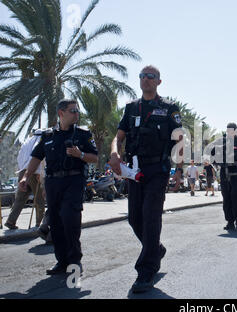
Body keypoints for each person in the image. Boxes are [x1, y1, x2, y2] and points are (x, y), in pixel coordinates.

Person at [110, 65, 183, 294]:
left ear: (159, 81)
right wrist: (114, 153)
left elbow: (179, 141)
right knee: (134, 219)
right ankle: (156, 249)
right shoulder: (131, 108)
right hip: (135, 170)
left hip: (158, 169)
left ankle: (146, 271)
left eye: (151, 76)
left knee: (151, 216)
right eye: (142, 76)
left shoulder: (169, 108)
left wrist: (179, 170)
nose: (146, 79)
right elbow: (118, 136)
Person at [19, 99, 98, 275]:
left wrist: (80, 154)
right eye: (73, 111)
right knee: (55, 223)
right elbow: (36, 159)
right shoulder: (48, 136)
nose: (77, 114)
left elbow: (95, 158)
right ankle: (61, 262)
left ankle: (74, 262)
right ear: (61, 113)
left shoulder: (83, 134)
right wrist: (25, 176)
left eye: (77, 110)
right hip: (53, 183)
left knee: (70, 220)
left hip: (74, 181)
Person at [4, 131, 45, 230]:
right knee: (39, 199)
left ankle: (10, 220)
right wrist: (40, 172)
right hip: (34, 172)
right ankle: (39, 223)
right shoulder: (39, 141)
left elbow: (19, 157)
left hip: (23, 171)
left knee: (20, 198)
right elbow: (37, 157)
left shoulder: (27, 142)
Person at [209, 123, 237, 231]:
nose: (229, 132)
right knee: (227, 199)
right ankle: (230, 221)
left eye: (231, 130)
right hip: (225, 173)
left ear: (235, 130)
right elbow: (210, 152)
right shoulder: (221, 141)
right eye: (228, 130)